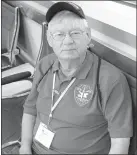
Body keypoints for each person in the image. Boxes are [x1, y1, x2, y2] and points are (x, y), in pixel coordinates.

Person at [19, 2, 133, 154]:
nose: (67, 41)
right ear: (49, 39)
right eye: (59, 34)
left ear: (88, 36)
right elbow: (30, 109)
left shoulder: (110, 80)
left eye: (75, 33)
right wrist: (24, 147)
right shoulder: (45, 65)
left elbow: (120, 144)